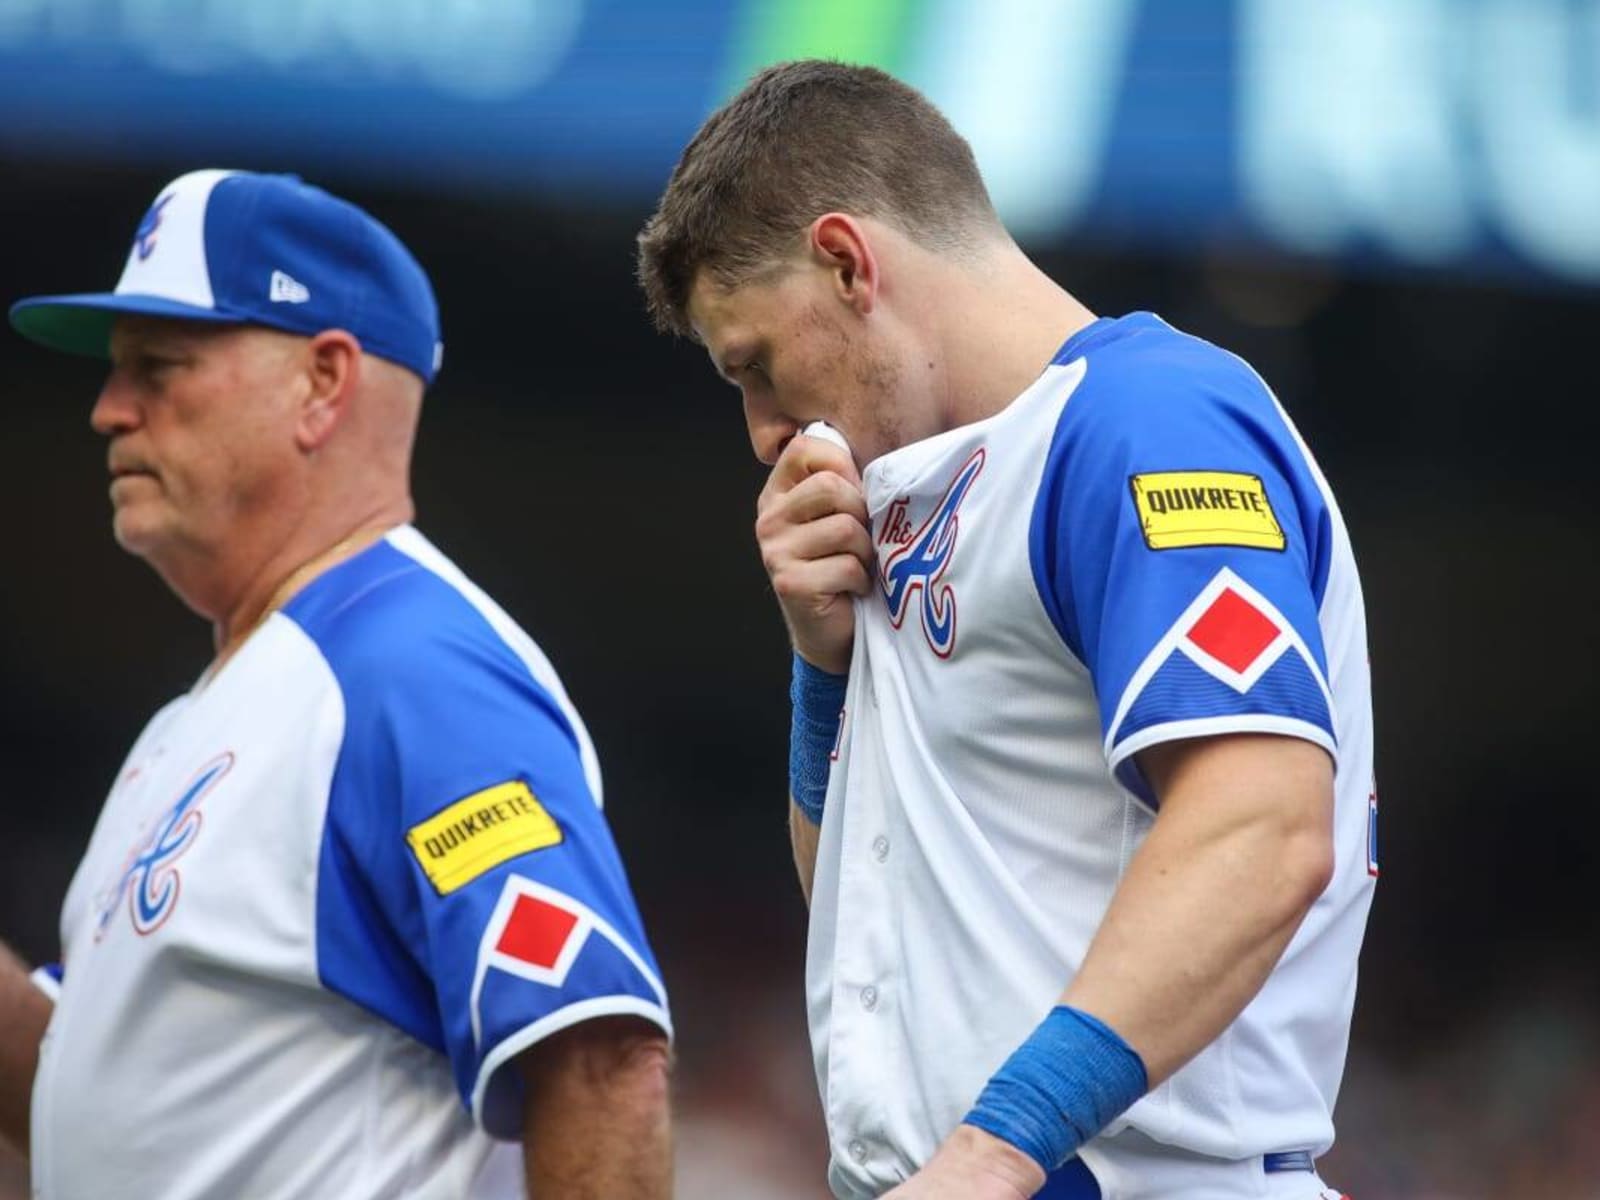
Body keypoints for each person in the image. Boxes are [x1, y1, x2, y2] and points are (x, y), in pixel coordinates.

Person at [637, 61, 1373, 1200]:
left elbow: (1263, 830)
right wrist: (821, 670)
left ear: (845, 260)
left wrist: (995, 1151)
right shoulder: (924, 481)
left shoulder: (1147, 423)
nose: (762, 429)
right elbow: (864, 924)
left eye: (756, 367)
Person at [2, 169, 673, 1199]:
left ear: (323, 382)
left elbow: (597, 1057)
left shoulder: (410, 669)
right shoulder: (194, 724)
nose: (106, 409)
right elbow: (86, 1092)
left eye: (159, 366)